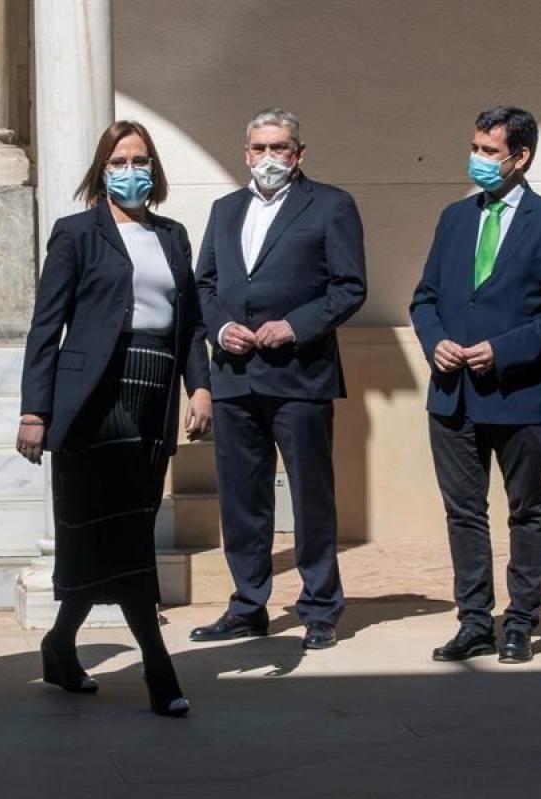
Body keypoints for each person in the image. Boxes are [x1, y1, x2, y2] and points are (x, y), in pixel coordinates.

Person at [17, 120, 211, 717]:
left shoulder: (173, 235)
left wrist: (200, 388)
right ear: (102, 170)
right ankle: (158, 668)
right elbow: (46, 326)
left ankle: (59, 644)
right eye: (120, 160)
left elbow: (191, 323)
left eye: (141, 159)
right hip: (93, 398)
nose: (132, 170)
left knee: (118, 530)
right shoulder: (76, 233)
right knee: (119, 535)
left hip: (154, 388)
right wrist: (34, 410)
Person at [410, 105, 541, 664]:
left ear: (521, 156)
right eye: (475, 148)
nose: (478, 160)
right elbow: (425, 298)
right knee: (463, 512)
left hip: (519, 395)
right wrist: (435, 340)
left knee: (525, 510)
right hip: (452, 395)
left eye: (489, 151)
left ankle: (520, 621)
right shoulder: (454, 218)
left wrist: (504, 350)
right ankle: (473, 620)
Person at [191, 108, 366, 650]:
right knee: (242, 498)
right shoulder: (225, 210)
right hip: (235, 377)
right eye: (260, 148)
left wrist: (293, 327)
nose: (269, 158)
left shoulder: (331, 205)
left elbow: (348, 287)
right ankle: (248, 605)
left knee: (311, 496)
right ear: (246, 153)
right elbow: (204, 285)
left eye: (280, 148)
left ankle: (320, 608)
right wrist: (222, 330)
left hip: (299, 377)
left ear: (299, 153)